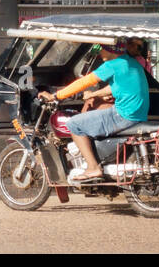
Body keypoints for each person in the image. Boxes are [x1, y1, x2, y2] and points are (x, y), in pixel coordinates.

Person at [38, 42, 149, 182]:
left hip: (124, 114)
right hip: (136, 113)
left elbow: (84, 82)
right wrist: (95, 94)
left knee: (74, 124)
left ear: (111, 50)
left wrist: (55, 96)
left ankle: (92, 167)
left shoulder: (113, 65)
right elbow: (117, 87)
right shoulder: (130, 62)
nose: (99, 52)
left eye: (101, 48)